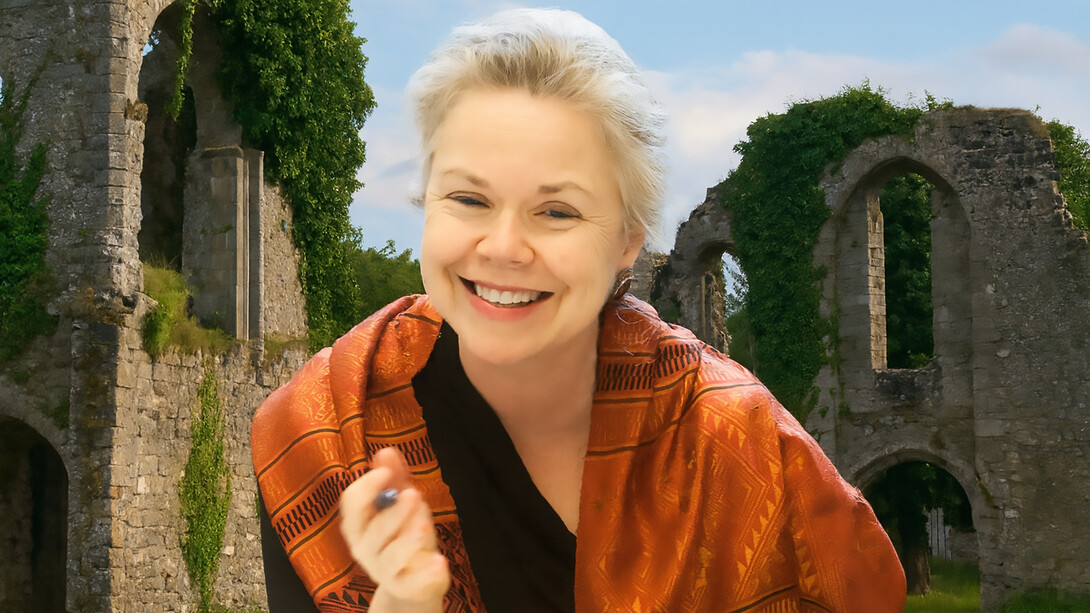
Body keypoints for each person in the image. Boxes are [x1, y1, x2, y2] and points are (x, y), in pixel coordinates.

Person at [251, 8, 906, 613]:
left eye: (556, 211)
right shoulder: (325, 434)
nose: (503, 247)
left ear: (627, 238)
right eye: (469, 200)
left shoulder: (735, 443)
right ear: (426, 200)